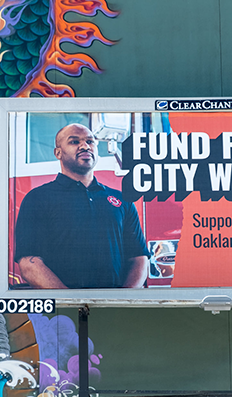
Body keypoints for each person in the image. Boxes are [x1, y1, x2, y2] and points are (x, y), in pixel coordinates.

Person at [14, 123, 150, 289]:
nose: (85, 146)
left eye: (90, 142)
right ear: (58, 153)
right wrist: (71, 303)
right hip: (63, 313)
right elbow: (29, 264)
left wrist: (123, 301)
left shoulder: (122, 200)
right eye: (74, 142)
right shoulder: (37, 198)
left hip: (115, 310)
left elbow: (139, 258)